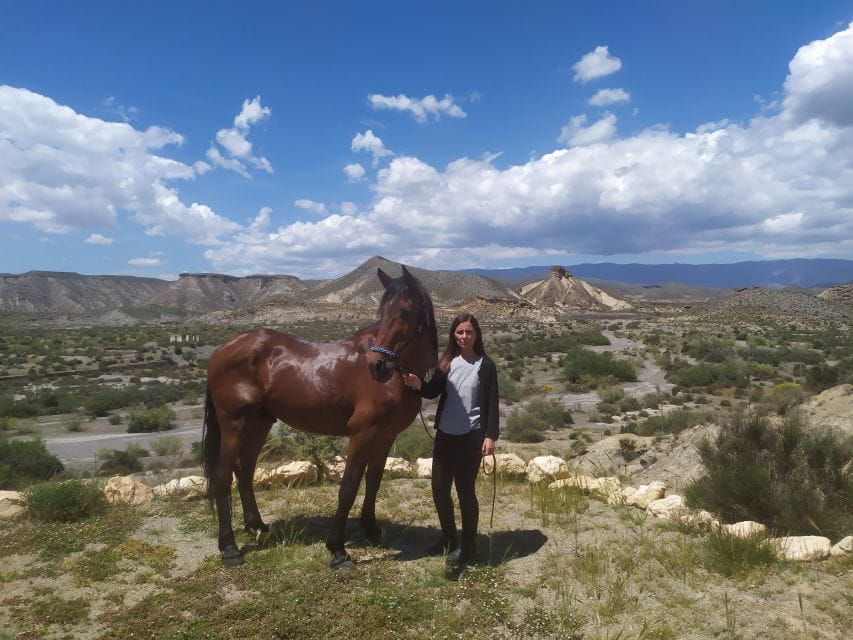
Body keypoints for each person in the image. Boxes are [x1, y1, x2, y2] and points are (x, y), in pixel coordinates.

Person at [403, 313, 499, 568]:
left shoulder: (485, 365)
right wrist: (417, 384)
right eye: (459, 332)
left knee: (466, 493)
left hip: (471, 438)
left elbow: (492, 403)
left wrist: (490, 436)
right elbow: (433, 391)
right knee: (439, 489)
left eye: (468, 332)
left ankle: (468, 547)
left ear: (476, 334)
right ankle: (448, 537)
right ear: (453, 335)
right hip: (445, 436)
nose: (464, 337)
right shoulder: (446, 363)